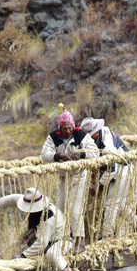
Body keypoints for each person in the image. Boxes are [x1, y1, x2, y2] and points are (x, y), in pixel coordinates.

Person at [0, 188, 79, 271]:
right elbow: (13, 198)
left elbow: (41, 244)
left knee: (50, 254)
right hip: (47, 239)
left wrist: (22, 255)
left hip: (62, 241)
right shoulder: (30, 199)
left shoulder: (48, 217)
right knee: (28, 251)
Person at [41, 104, 99, 250]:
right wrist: (59, 156)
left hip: (79, 177)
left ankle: (79, 242)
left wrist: (81, 155)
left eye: (70, 127)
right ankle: (56, 240)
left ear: (74, 126)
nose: (68, 130)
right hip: (63, 179)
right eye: (64, 128)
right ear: (60, 128)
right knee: (59, 210)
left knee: (75, 209)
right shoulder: (53, 138)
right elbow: (44, 155)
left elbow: (95, 152)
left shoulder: (81, 136)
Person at [79, 117, 131, 239]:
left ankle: (108, 235)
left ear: (96, 132)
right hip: (117, 169)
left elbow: (111, 169)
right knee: (120, 205)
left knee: (111, 203)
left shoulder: (107, 146)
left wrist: (99, 186)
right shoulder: (99, 135)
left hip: (122, 169)